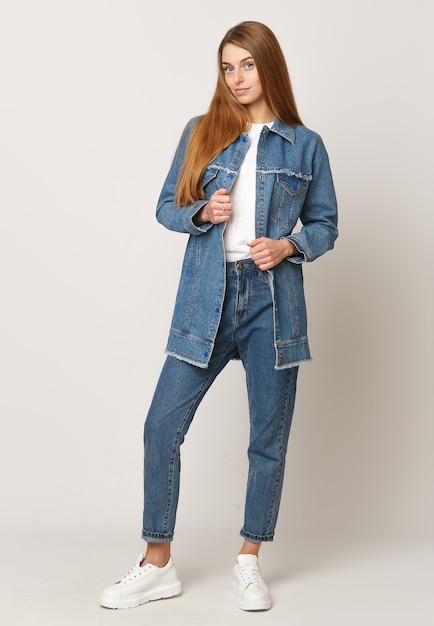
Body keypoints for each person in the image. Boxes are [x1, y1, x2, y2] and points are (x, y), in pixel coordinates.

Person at [100, 20, 338, 612]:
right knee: (161, 426)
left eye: (247, 65)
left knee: (267, 439)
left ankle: (249, 559)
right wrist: (203, 211)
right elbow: (166, 207)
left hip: (274, 303)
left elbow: (327, 223)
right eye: (227, 67)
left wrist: (289, 246)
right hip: (207, 298)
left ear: (269, 67)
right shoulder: (202, 132)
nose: (236, 78)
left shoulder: (305, 145)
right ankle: (158, 564)